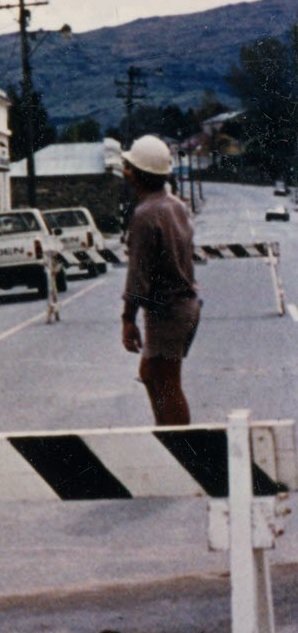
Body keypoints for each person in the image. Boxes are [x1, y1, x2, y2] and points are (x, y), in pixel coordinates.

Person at [119, 135, 200, 425]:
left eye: (129, 167)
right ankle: (169, 437)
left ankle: (182, 449)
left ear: (137, 174)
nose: (125, 171)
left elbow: (138, 275)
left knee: (166, 382)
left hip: (167, 310)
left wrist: (128, 318)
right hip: (184, 305)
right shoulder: (175, 205)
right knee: (150, 374)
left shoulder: (145, 215)